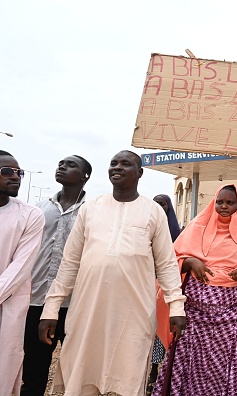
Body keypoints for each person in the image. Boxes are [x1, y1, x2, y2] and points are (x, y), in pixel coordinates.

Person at [38, 150, 186, 396]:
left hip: (134, 311)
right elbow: (70, 263)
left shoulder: (153, 212)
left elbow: (167, 265)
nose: (117, 167)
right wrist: (51, 309)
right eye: (113, 163)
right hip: (88, 309)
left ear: (139, 173)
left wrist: (177, 307)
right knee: (83, 368)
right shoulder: (91, 208)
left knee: (129, 370)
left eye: (125, 164)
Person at [152, 185, 237, 395]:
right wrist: (190, 261)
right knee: (189, 366)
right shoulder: (196, 227)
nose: (224, 206)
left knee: (223, 369)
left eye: (230, 203)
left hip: (230, 321)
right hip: (194, 320)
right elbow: (172, 260)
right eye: (220, 202)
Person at [21, 155, 92, 396]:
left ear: (85, 176)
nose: (62, 166)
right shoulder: (38, 209)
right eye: (61, 163)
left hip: (75, 303)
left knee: (76, 368)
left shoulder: (92, 212)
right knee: (34, 365)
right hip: (37, 300)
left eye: (71, 164)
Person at [0, 151, 45, 396]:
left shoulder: (30, 215)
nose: (16, 177)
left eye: (19, 173)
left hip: (10, 303)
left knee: (5, 365)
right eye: (7, 172)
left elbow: (21, 266)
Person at [148, 194, 182, 394]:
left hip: (165, 287)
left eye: (162, 203)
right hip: (143, 284)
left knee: (161, 329)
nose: (159, 207)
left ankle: (156, 370)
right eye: (156, 203)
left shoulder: (176, 233)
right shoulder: (146, 226)